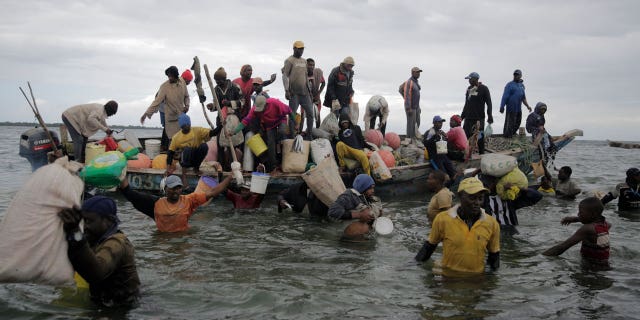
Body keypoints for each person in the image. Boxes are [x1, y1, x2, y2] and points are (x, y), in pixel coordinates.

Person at [58, 196, 140, 306]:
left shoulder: (117, 243)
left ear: (108, 221)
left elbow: (97, 273)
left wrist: (75, 232)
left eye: (88, 221)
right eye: (82, 221)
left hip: (123, 307)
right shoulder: (95, 239)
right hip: (103, 303)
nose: (84, 227)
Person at [415, 177, 500, 275]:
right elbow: (429, 247)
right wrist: (412, 266)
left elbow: (494, 257)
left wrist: (490, 284)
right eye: (472, 198)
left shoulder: (491, 223)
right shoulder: (443, 219)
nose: (476, 203)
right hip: (449, 278)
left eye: (480, 198)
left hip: (476, 280)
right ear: (460, 196)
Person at [119, 174, 232, 233]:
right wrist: (121, 174)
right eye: (172, 188)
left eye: (178, 188)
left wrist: (230, 176)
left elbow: (212, 192)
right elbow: (130, 194)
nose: (175, 191)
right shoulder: (155, 204)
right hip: (163, 241)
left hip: (183, 239)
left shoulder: (189, 200)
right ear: (165, 189)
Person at [543, 197, 610, 268]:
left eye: (581, 212)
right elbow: (596, 220)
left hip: (591, 268)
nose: (578, 214)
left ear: (593, 214)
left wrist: (541, 257)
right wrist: (576, 219)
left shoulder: (587, 229)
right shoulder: (605, 225)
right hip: (603, 265)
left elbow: (562, 247)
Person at [232, 96, 292, 173]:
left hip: (280, 120)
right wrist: (234, 132)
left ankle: (279, 144)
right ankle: (273, 167)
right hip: (270, 125)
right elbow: (245, 121)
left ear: (266, 104)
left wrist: (295, 123)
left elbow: (289, 111)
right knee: (270, 144)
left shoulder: (275, 102)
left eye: (262, 109)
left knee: (282, 132)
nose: (260, 111)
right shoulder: (254, 110)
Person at [206, 67, 244, 171]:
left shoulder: (235, 87)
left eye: (220, 80)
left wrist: (230, 103)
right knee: (220, 144)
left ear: (225, 78)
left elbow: (242, 102)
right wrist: (212, 106)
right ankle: (221, 167)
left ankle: (232, 167)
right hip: (221, 120)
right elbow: (216, 105)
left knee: (233, 144)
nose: (218, 82)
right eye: (216, 81)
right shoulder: (216, 89)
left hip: (233, 119)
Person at [166, 114, 218, 186]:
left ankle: (196, 168)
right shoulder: (176, 137)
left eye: (188, 125)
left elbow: (212, 133)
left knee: (204, 146)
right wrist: (168, 168)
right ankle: (184, 175)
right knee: (187, 149)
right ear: (181, 127)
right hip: (184, 160)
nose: (187, 127)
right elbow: (170, 153)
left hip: (194, 160)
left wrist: (221, 126)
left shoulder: (197, 130)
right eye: (184, 126)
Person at [141, 66, 190, 141]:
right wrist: (145, 114)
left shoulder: (182, 82)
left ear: (176, 76)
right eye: (168, 76)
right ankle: (169, 149)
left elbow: (186, 96)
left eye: (171, 76)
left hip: (181, 115)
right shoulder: (164, 87)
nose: (169, 78)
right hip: (170, 117)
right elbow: (156, 102)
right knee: (172, 139)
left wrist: (187, 105)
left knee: (182, 138)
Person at [282, 40, 314, 139]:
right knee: (292, 115)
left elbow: (305, 76)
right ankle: (292, 135)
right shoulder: (289, 60)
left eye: (302, 49)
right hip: (294, 93)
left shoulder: (304, 61)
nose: (301, 50)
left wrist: (309, 91)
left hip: (305, 93)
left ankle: (309, 134)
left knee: (310, 114)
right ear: (294, 48)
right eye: (299, 48)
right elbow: (285, 76)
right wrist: (286, 90)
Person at [461, 72, 493, 154]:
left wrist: (490, 115)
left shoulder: (484, 89)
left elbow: (489, 103)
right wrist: (462, 116)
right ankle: (465, 153)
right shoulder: (469, 89)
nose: (469, 80)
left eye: (470, 79)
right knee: (466, 136)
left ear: (475, 79)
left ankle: (481, 153)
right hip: (468, 118)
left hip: (479, 118)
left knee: (480, 137)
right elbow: (466, 104)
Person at [500, 69, 531, 138]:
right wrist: (502, 106)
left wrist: (528, 106)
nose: (516, 76)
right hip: (511, 108)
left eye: (517, 75)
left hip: (518, 108)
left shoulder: (521, 86)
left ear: (520, 76)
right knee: (510, 123)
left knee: (518, 122)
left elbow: (523, 98)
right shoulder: (509, 85)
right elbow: (505, 96)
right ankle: (507, 136)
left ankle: (512, 134)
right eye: (515, 75)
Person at [423, 116, 456, 180]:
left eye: (441, 122)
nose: (441, 124)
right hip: (434, 158)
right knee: (443, 176)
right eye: (439, 122)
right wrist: (434, 136)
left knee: (453, 173)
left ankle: (452, 186)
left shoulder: (441, 132)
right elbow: (426, 144)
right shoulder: (430, 132)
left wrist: (446, 138)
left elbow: (445, 145)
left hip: (443, 156)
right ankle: (443, 187)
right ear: (434, 123)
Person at [401, 67, 422, 142]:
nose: (418, 73)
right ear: (412, 73)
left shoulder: (416, 82)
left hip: (416, 107)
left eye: (419, 72)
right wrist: (408, 108)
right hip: (411, 107)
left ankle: (414, 138)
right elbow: (407, 95)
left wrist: (418, 107)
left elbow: (416, 96)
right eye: (417, 72)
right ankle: (409, 140)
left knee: (417, 123)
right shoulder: (409, 82)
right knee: (411, 125)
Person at [306, 58, 326, 127]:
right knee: (305, 115)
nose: (311, 66)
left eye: (313, 65)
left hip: (316, 97)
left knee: (317, 115)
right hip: (305, 97)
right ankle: (306, 132)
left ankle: (317, 130)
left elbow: (323, 83)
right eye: (309, 65)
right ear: (306, 65)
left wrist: (318, 93)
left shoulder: (317, 73)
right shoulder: (303, 74)